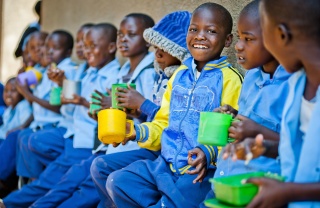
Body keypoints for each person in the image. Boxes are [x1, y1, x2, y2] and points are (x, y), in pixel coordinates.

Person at [106, 3, 243, 207]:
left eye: (211, 31)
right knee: (118, 182)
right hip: (165, 164)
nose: (200, 36)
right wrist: (134, 131)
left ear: (228, 40)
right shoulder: (179, 75)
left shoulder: (230, 79)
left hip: (198, 172)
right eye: (193, 29)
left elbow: (235, 135)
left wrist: (208, 153)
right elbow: (163, 123)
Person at [30, 14, 156, 208]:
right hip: (110, 144)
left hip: (130, 148)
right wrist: (100, 112)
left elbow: (153, 115)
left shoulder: (148, 73)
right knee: (70, 179)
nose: (123, 39)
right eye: (120, 34)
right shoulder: (124, 72)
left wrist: (124, 106)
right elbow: (119, 111)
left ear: (148, 40)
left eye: (131, 34)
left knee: (82, 184)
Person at [1, 23, 120, 208]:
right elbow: (65, 105)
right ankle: (18, 193)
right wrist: (60, 84)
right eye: (35, 49)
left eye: (47, 47)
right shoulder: (69, 72)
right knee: (30, 146)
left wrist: (73, 96)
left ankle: (11, 200)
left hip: (88, 141)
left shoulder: (99, 74)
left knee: (60, 182)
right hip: (74, 135)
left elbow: (101, 113)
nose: (42, 52)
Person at [222, 0, 320, 207]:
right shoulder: (298, 83)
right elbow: (302, 152)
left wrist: (290, 192)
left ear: (281, 36)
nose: (240, 45)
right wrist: (264, 147)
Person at [91, 11, 192, 208]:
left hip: (168, 150)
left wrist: (142, 104)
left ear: (179, 49)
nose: (158, 54)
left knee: (110, 174)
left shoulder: (182, 81)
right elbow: (156, 118)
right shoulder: (160, 76)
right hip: (151, 142)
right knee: (100, 166)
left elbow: (174, 123)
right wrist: (135, 113)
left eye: (165, 48)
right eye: (156, 48)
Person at [199, 0, 291, 205]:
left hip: (257, 192)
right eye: (240, 37)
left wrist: (254, 131)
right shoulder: (251, 76)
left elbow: (297, 147)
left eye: (249, 39)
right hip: (224, 182)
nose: (239, 46)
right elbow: (248, 117)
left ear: (278, 40)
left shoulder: (293, 86)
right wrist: (233, 116)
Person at [15, 30, 77, 180]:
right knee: (21, 136)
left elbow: (55, 106)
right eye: (34, 48)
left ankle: (36, 183)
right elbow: (19, 83)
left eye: (43, 46)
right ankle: (29, 182)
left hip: (56, 124)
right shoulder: (40, 71)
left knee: (29, 139)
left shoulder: (63, 70)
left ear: (68, 51)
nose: (43, 51)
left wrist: (29, 94)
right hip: (42, 123)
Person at [0, 77, 32, 198]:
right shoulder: (8, 111)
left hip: (12, 144)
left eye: (13, 91)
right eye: (6, 91)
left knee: (13, 138)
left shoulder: (23, 106)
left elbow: (24, 126)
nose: (8, 94)